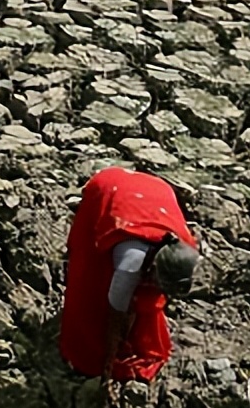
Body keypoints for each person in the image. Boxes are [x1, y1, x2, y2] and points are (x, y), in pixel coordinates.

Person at [59, 167, 201, 395]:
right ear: (152, 267)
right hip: (107, 189)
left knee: (142, 299)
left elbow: (151, 293)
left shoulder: (184, 246)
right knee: (90, 280)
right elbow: (117, 313)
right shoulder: (130, 263)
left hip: (154, 194)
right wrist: (107, 366)